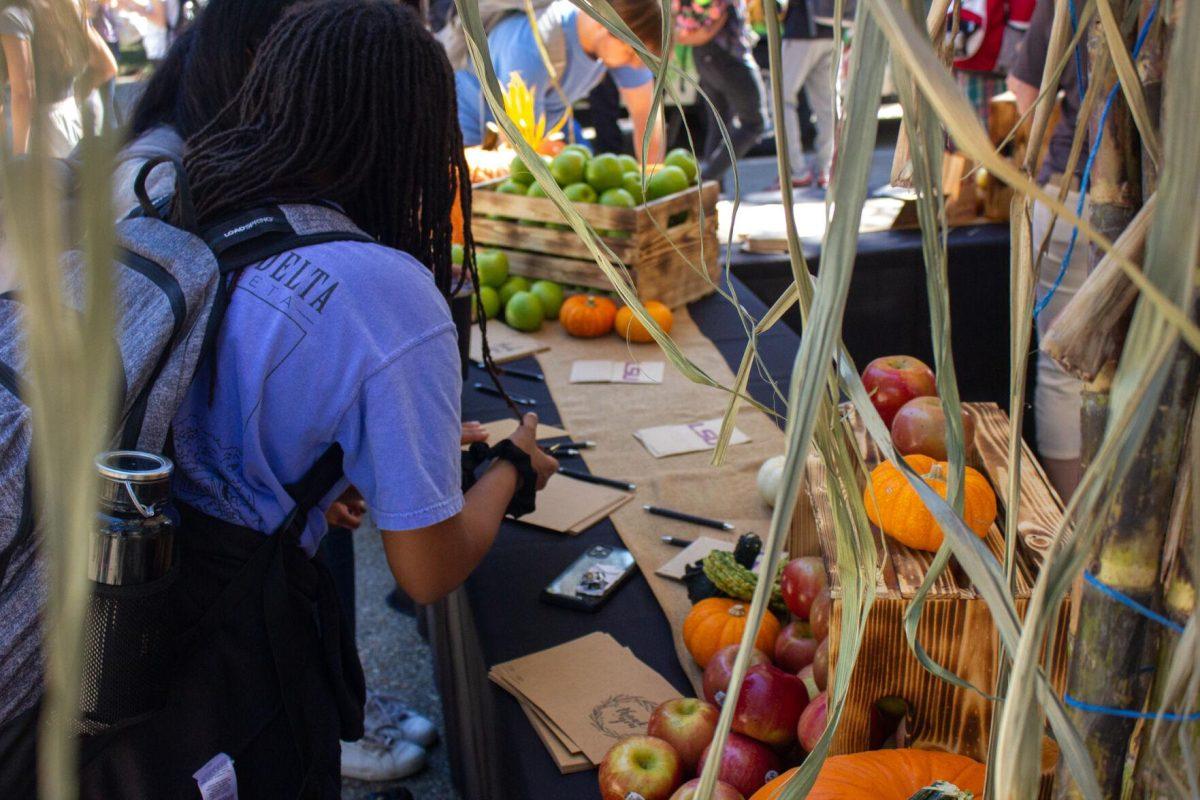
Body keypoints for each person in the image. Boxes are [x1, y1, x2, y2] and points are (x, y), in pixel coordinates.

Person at [82, 1, 558, 795]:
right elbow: (426, 570)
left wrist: (322, 481)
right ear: (412, 133)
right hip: (233, 668)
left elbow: (214, 413)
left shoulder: (184, 195)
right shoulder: (388, 294)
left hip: (114, 620)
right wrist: (512, 466)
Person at [1007, 0, 1086, 499]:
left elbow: (1025, 89)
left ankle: (1075, 533)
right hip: (1088, 195)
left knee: (1064, 368)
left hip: (1073, 192)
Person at [453, 0, 665, 163]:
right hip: (470, 124)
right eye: (631, 55)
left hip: (536, 131)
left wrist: (654, 183)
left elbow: (645, 114)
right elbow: (522, 142)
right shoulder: (533, 45)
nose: (634, 65)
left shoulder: (618, 45)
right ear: (604, 25)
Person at [0, 0, 115, 156]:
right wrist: (70, 100)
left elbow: (22, 95)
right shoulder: (66, 6)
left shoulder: (12, 17)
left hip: (30, 134)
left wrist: (19, 157)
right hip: (67, 124)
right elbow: (107, 67)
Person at [675, 0, 766, 182]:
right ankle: (707, 180)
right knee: (754, 122)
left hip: (706, 54)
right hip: (727, 53)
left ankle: (710, 189)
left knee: (719, 123)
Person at [779, 0, 836, 188]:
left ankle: (797, 170)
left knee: (782, 100)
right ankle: (825, 168)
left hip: (801, 30)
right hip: (831, 30)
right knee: (826, 105)